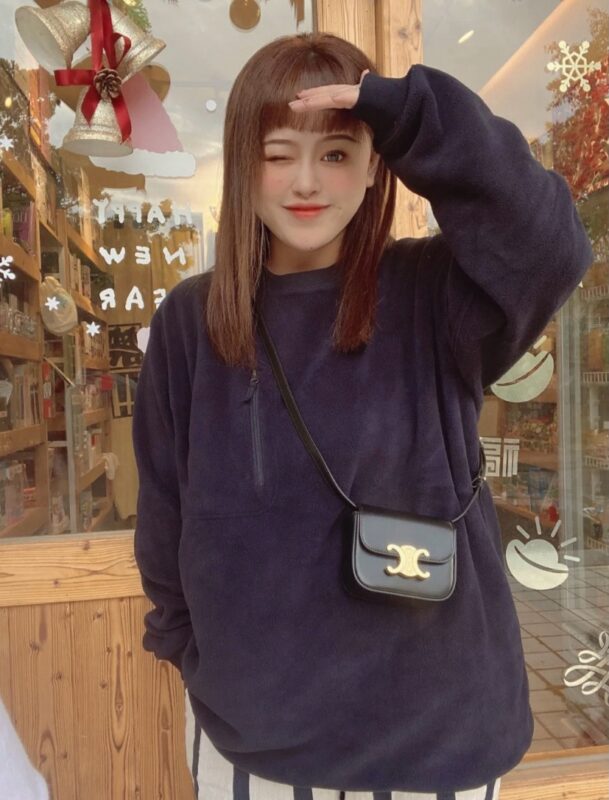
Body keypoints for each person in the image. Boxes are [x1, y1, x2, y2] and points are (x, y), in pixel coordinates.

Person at [132, 32, 592, 800]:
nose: (306, 181)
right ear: (243, 162)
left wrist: (409, 112)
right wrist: (191, 652)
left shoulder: (434, 291)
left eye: (338, 153)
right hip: (254, 740)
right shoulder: (193, 319)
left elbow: (550, 246)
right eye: (278, 153)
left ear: (377, 164)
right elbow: (164, 510)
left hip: (438, 737)